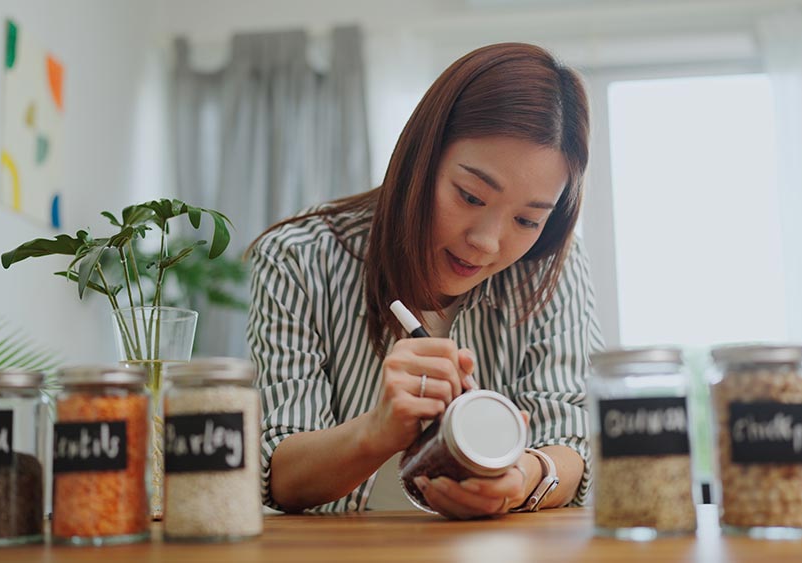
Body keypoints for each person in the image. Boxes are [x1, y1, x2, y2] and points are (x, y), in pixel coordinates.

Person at [246, 42, 603, 519]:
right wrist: (377, 431)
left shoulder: (551, 264)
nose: (487, 242)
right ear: (422, 158)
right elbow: (279, 474)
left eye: (526, 220)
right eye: (471, 197)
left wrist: (523, 479)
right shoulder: (298, 258)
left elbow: (573, 438)